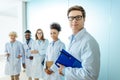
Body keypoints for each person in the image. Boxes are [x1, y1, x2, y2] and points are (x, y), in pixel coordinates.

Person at [58, 5, 100, 80]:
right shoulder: (72, 39)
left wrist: (64, 70)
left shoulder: (89, 42)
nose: (74, 20)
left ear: (84, 19)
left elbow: (90, 75)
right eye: (71, 18)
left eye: (78, 17)